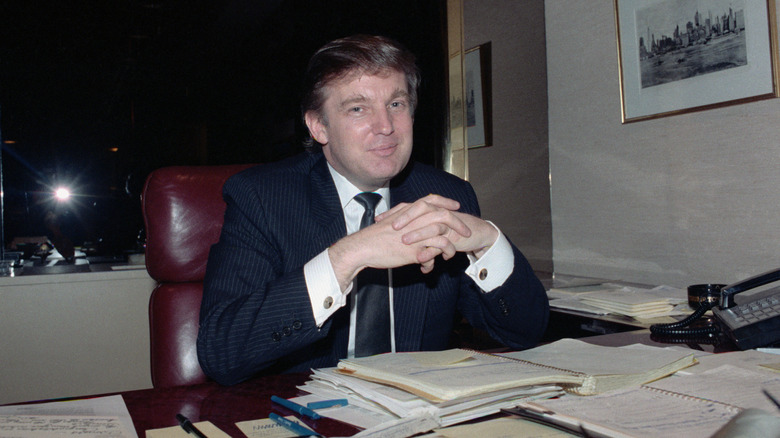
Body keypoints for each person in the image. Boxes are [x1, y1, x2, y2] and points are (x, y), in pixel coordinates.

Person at [197, 34, 549, 386]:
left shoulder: (446, 196)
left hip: (419, 411)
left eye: (396, 104)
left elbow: (524, 333)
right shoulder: (262, 197)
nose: (386, 127)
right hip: (309, 411)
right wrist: (349, 255)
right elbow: (221, 353)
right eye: (358, 108)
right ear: (319, 126)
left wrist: (488, 241)